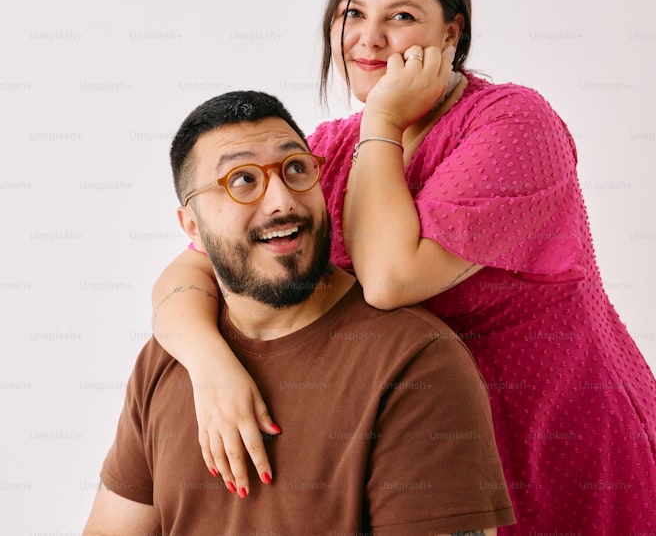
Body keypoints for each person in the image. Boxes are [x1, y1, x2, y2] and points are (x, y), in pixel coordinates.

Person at [150, 0, 656, 534]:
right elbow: (195, 263)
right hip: (424, 442)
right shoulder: (332, 148)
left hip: (556, 432)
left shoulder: (514, 124)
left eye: (402, 16)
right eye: (353, 14)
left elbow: (389, 280)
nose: (369, 38)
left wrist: (383, 117)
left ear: (452, 32)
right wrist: (211, 369)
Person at [84, 90, 515, 535]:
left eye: (295, 169)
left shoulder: (416, 362)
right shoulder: (169, 359)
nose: (282, 202)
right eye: (242, 179)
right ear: (192, 226)